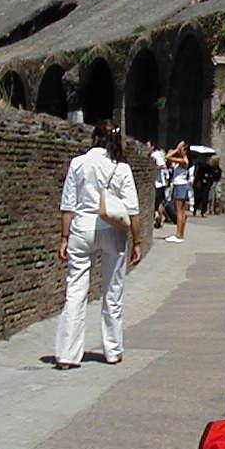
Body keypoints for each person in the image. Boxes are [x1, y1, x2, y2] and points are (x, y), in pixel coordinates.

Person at [55, 120, 142, 369]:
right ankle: (112, 350)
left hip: (82, 229)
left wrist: (64, 237)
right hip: (113, 230)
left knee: (75, 291)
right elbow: (133, 210)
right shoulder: (121, 168)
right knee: (112, 292)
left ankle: (68, 354)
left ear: (94, 138)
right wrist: (137, 241)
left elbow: (68, 205)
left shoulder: (78, 163)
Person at [166, 140, 190, 243]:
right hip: (183, 185)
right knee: (182, 211)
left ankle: (178, 234)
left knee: (179, 211)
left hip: (180, 185)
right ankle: (181, 234)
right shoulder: (183, 160)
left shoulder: (183, 160)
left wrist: (176, 149)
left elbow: (167, 157)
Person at [150, 141, 168, 229]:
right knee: (157, 203)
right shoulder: (152, 155)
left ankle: (159, 219)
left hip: (158, 184)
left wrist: (154, 168)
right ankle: (158, 219)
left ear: (152, 146)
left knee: (158, 203)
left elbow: (163, 166)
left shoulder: (156, 154)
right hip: (156, 183)